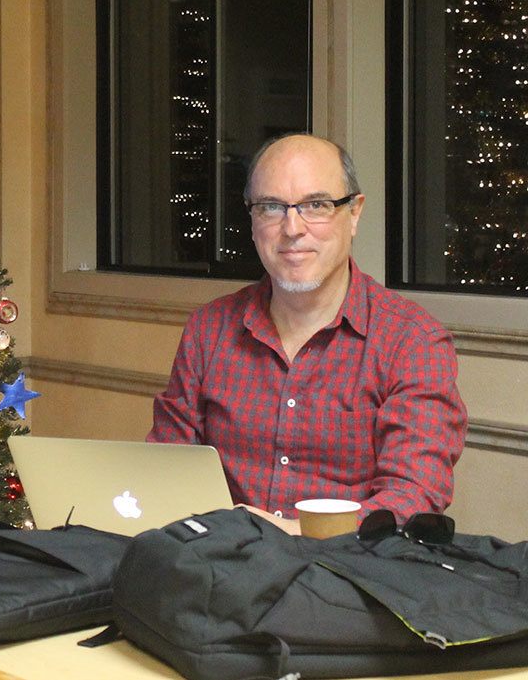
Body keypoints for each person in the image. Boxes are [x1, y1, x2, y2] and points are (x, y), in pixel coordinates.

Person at [149, 134, 466, 534]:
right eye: (271, 207)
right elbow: (164, 468)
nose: (292, 228)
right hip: (218, 568)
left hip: (344, 574)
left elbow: (412, 497)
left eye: (316, 205)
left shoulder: (412, 342)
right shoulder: (208, 330)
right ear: (251, 220)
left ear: (353, 214)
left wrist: (291, 532)